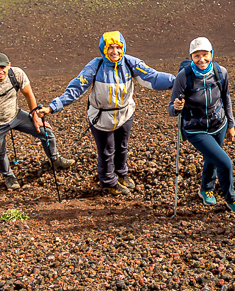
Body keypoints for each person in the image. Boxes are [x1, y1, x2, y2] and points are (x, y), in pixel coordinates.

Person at [36, 32, 175, 197]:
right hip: (100, 117)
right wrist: (52, 107)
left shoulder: (131, 63)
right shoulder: (95, 66)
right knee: (106, 150)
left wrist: (178, 82)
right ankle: (108, 182)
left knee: (122, 147)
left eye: (118, 47)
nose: (115, 52)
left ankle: (121, 173)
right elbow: (76, 88)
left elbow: (153, 77)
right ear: (104, 49)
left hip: (125, 113)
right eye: (111, 48)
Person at [0, 53, 75, 191]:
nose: (0, 71)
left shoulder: (16, 74)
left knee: (45, 131)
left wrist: (35, 116)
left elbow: (28, 94)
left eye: (3, 67)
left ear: (9, 65)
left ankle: (55, 159)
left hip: (15, 115)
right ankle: (8, 176)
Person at [168, 37, 235, 213]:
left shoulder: (221, 72)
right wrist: (176, 107)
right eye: (197, 56)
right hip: (195, 128)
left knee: (212, 158)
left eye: (205, 55)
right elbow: (171, 110)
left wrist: (231, 125)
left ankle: (206, 189)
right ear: (191, 56)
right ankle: (231, 199)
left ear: (211, 54)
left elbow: (226, 98)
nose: (201, 59)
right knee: (225, 162)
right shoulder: (184, 76)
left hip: (219, 124)